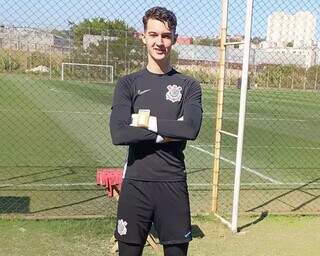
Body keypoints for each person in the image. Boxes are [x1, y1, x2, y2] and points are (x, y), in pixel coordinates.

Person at [109, 6, 202, 256]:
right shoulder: (128, 83)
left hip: (172, 184)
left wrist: (144, 124)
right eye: (153, 35)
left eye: (165, 35)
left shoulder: (189, 85)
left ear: (173, 38)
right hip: (135, 185)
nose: (159, 42)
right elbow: (119, 133)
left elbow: (191, 128)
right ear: (144, 37)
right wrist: (168, 132)